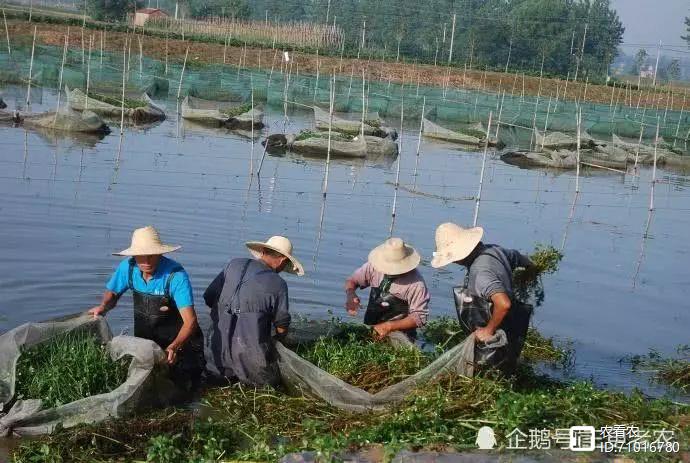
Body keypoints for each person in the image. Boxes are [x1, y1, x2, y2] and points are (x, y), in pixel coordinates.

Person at [88, 226, 205, 392]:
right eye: (141, 257)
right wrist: (103, 307)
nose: (146, 262)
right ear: (133, 255)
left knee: (185, 388)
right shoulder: (128, 268)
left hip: (181, 345)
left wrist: (174, 347)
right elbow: (113, 293)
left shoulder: (175, 276)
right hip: (147, 342)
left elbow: (190, 321)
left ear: (159, 253)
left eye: (151, 256)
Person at [431, 222, 533, 373]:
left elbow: (504, 304)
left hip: (498, 332)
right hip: (514, 326)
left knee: (487, 372)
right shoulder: (494, 250)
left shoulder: (480, 273)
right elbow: (522, 259)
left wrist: (488, 330)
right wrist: (531, 270)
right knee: (506, 369)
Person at [203, 235, 304, 387]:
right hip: (251, 367)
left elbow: (208, 298)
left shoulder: (233, 264)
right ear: (283, 260)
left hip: (215, 356)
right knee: (274, 384)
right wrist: (280, 343)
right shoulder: (278, 284)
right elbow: (281, 326)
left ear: (262, 251)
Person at [344, 237, 431, 340]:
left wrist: (389, 326)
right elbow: (352, 281)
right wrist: (351, 294)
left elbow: (420, 317)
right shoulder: (373, 267)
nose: (389, 271)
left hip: (401, 335)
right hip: (371, 328)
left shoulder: (416, 284)